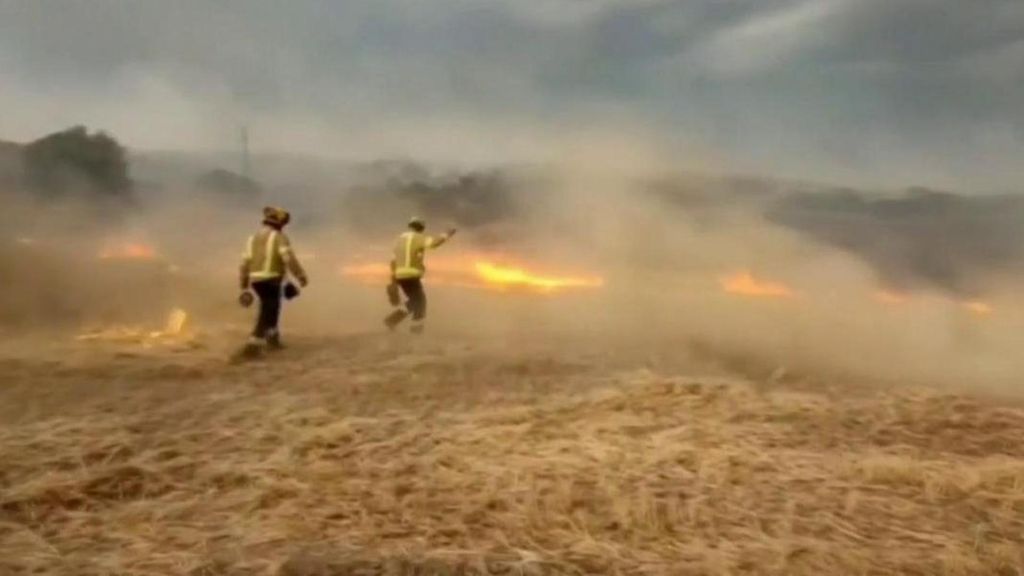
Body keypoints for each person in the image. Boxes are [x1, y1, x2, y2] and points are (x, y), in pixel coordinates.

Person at [240, 206, 308, 352]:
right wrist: (300, 275)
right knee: (269, 308)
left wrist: (244, 287)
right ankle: (254, 342)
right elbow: (288, 259)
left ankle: (273, 337)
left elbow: (244, 264)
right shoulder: (279, 237)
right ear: (278, 223)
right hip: (271, 279)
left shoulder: (252, 239)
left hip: (256, 281)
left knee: (273, 306)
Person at [384, 216, 455, 334]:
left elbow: (393, 262)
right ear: (421, 228)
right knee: (420, 303)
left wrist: (393, 280)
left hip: (399, 276)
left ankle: (392, 321)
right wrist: (447, 234)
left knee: (414, 301)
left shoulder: (399, 240)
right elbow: (434, 243)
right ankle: (415, 332)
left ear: (410, 225)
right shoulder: (419, 238)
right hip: (412, 275)